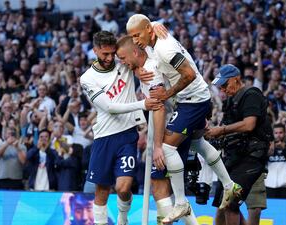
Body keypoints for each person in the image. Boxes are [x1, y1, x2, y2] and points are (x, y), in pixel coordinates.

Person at [126, 14, 240, 223]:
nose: (135, 40)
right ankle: (229, 185)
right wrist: (135, 67)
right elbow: (135, 46)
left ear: (148, 30)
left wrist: (167, 94)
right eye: (132, 37)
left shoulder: (164, 48)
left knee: (167, 148)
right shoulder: (152, 39)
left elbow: (189, 74)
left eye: (137, 35)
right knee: (198, 143)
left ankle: (181, 203)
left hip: (193, 101)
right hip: (197, 99)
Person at [79, 31, 161, 225]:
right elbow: (109, 107)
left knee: (123, 188)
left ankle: (122, 220)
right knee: (102, 190)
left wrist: (137, 69)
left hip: (127, 135)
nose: (109, 58)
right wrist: (143, 105)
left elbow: (139, 40)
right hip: (104, 137)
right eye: (104, 54)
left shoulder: (122, 61)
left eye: (112, 53)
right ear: (95, 50)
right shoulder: (88, 78)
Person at [116, 35, 198, 224]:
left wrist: (158, 146)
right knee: (167, 189)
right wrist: (136, 69)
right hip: (181, 123)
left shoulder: (150, 71)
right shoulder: (147, 60)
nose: (121, 62)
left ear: (135, 52)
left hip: (169, 130)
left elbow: (158, 107)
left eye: (123, 58)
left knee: (161, 186)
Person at [205, 64, 273, 225]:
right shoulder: (231, 101)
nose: (223, 90)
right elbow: (224, 128)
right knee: (224, 204)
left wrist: (221, 130)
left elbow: (249, 124)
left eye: (225, 85)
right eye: (220, 87)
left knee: (231, 202)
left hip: (251, 157)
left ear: (236, 79)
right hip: (234, 156)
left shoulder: (251, 94)